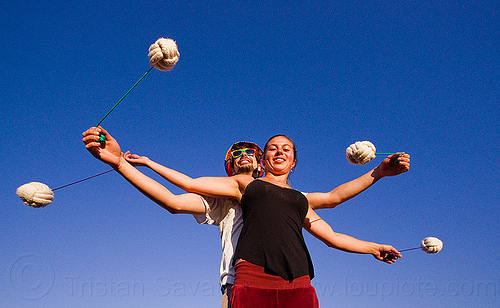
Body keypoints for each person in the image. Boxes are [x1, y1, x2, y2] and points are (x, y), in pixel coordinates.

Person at [82, 128, 409, 307]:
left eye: (287, 149)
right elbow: (184, 189)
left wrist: (378, 174)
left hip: (299, 284)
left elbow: (335, 206)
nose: (279, 151)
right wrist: (133, 163)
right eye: (272, 148)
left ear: (294, 162)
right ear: (263, 159)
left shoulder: (300, 200)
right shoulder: (242, 187)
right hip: (249, 280)